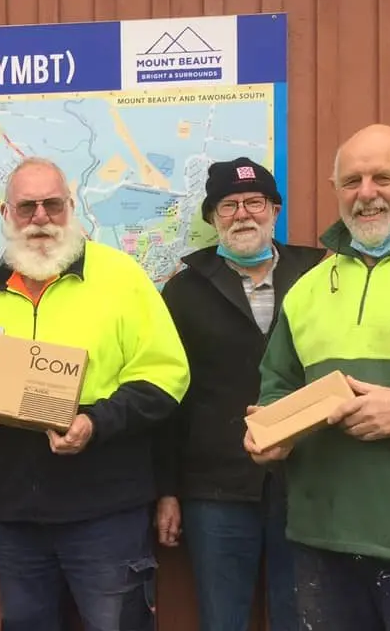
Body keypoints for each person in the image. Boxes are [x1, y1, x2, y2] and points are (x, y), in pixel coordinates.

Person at [0, 156, 190, 631]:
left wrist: (95, 422)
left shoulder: (123, 279)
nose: (40, 218)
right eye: (26, 208)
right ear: (6, 216)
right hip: (19, 513)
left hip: (106, 511)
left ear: (72, 207)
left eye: (52, 205)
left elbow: (166, 378)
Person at [245, 124, 390, 630]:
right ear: (334, 190)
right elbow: (277, 383)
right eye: (351, 181)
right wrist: (273, 432)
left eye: (382, 178)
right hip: (321, 543)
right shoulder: (308, 288)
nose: (365, 194)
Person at [154, 157, 325, 631]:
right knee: (222, 619)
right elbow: (170, 399)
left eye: (254, 202)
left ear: (275, 210)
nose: (242, 214)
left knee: (303, 618)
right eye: (228, 205)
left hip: (308, 482)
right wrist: (167, 491)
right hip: (215, 488)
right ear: (212, 219)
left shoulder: (319, 278)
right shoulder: (184, 291)